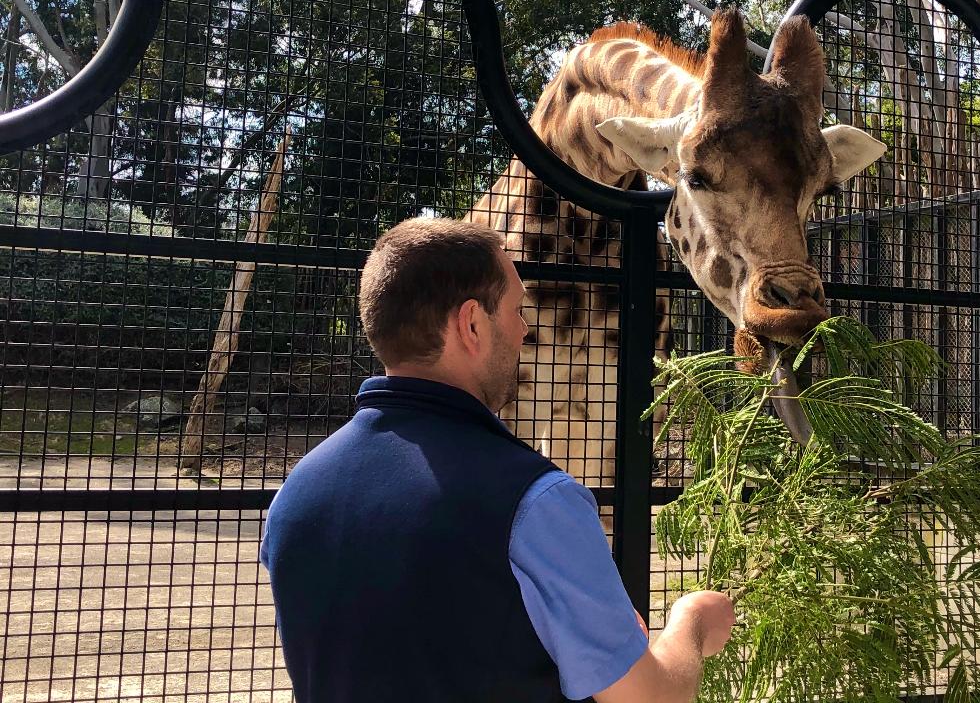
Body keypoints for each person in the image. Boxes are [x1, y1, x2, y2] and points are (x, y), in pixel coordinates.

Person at [259, 217, 735, 703]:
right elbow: (649, 698)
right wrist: (691, 623)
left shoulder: (296, 497)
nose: (524, 330)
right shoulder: (537, 502)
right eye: (515, 310)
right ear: (471, 324)